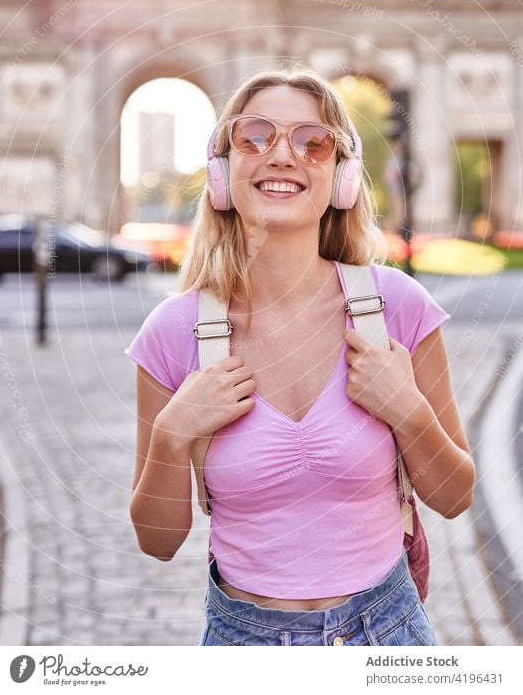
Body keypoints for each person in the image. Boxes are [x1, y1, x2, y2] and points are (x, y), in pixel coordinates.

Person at [125, 67, 476, 647]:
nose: (282, 156)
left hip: (388, 638)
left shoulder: (398, 308)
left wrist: (408, 411)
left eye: (313, 142)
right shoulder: (172, 333)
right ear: (222, 171)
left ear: (340, 177)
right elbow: (157, 542)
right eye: (254, 137)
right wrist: (171, 435)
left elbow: (455, 496)